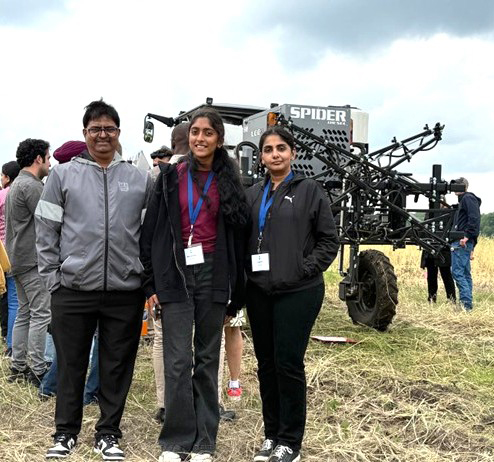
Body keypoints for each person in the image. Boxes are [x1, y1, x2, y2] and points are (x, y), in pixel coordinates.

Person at [35, 100, 153, 460]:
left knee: (117, 365)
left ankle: (108, 433)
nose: (103, 135)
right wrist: (53, 276)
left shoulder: (138, 178)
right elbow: (46, 229)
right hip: (73, 289)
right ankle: (65, 432)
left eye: (109, 128)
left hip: (124, 289)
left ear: (119, 133)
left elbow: (148, 233)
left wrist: (143, 277)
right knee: (71, 363)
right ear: (85, 133)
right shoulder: (63, 175)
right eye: (95, 129)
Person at [140, 107, 248, 462]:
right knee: (177, 359)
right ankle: (175, 440)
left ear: (219, 140)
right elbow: (150, 233)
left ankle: (205, 441)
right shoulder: (169, 177)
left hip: (213, 275)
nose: (199, 138)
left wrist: (236, 289)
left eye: (208, 133)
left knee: (206, 358)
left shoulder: (229, 182)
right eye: (195, 132)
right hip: (174, 274)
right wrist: (150, 283)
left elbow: (239, 239)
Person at [245, 127, 339, 462]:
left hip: (297, 291)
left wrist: (304, 268)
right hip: (259, 291)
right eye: (268, 149)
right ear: (261, 157)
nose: (275, 154)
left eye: (281, 148)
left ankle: (290, 442)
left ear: (293, 153)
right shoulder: (253, 193)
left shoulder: (310, 191)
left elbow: (329, 240)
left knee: (287, 363)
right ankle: (271, 435)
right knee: (266, 364)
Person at [37, 140, 99, 405]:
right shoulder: (66, 187)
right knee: (78, 341)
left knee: (67, 339)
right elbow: (47, 234)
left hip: (74, 276)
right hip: (76, 278)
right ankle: (80, 391)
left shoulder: (58, 184)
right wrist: (53, 278)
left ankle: (52, 386)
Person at [5, 139, 51, 386]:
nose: (50, 161)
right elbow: (50, 219)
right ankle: (38, 367)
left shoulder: (16, 184)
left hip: (17, 258)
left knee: (24, 311)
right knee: (41, 312)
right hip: (32, 259)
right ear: (38, 159)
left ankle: (18, 365)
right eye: (48, 156)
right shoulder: (32, 186)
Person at [451, 177, 481, 311]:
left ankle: (466, 305)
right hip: (464, 240)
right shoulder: (464, 200)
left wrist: (467, 236)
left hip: (462, 241)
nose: (453, 189)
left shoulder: (468, 198)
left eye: (456, 186)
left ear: (462, 187)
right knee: (464, 273)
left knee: (457, 272)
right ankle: (467, 305)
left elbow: (474, 218)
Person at [0, 160, 21, 357]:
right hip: (15, 251)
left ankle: (8, 338)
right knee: (16, 299)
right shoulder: (19, 193)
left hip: (1, 251)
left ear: (7, 177)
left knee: (5, 296)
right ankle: (12, 344)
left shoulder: (2, 195)